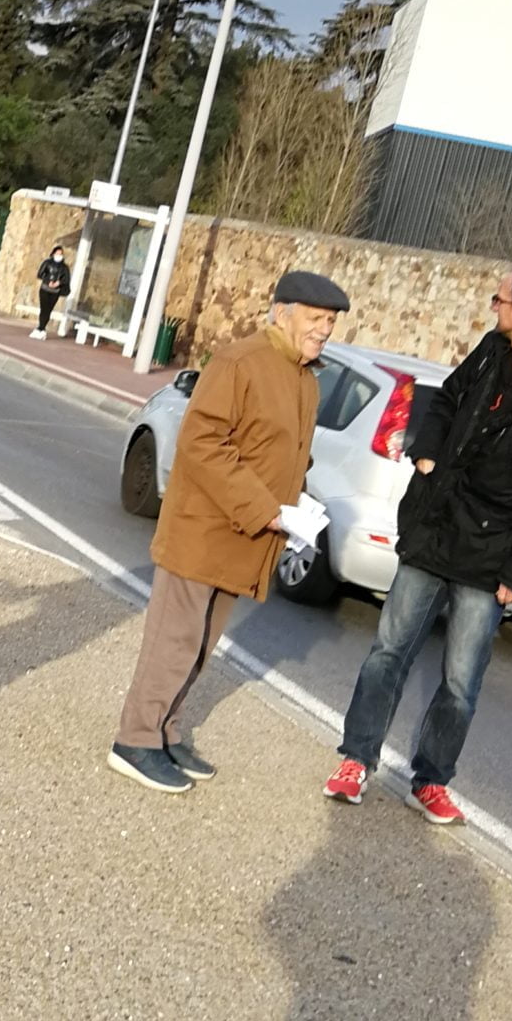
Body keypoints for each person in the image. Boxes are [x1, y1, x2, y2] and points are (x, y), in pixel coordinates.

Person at [326, 265, 512, 825]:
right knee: (388, 652)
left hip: (491, 558)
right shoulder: (492, 351)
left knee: (460, 681)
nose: (491, 306)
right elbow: (447, 399)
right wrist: (425, 452)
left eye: (498, 298)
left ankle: (430, 779)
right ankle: (356, 759)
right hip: (435, 530)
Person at [109, 268, 350, 794]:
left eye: (330, 322)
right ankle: (135, 740)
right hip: (205, 531)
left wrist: (298, 502)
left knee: (200, 646)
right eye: (316, 319)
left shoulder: (306, 378)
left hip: (244, 537)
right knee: (174, 641)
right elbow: (202, 444)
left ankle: (165, 732)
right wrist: (266, 508)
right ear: (282, 313)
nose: (324, 330)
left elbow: (283, 455)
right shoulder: (240, 362)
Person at [32, 243, 71, 339]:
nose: (59, 256)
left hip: (55, 291)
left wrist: (58, 283)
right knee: (44, 308)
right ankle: (41, 328)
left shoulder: (64, 267)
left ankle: (41, 329)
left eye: (61, 254)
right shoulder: (47, 263)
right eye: (57, 253)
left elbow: (66, 279)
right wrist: (48, 281)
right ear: (53, 254)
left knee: (49, 310)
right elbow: (40, 274)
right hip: (45, 288)